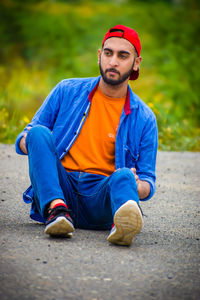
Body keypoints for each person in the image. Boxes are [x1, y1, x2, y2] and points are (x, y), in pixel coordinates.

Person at [15, 25, 158, 246]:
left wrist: (136, 184)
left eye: (123, 56)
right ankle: (57, 211)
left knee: (124, 177)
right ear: (99, 55)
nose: (113, 62)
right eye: (108, 53)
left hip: (102, 198)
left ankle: (123, 225)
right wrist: (34, 144)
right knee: (38, 132)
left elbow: (148, 182)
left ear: (136, 62)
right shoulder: (66, 90)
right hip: (60, 187)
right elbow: (24, 139)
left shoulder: (145, 118)